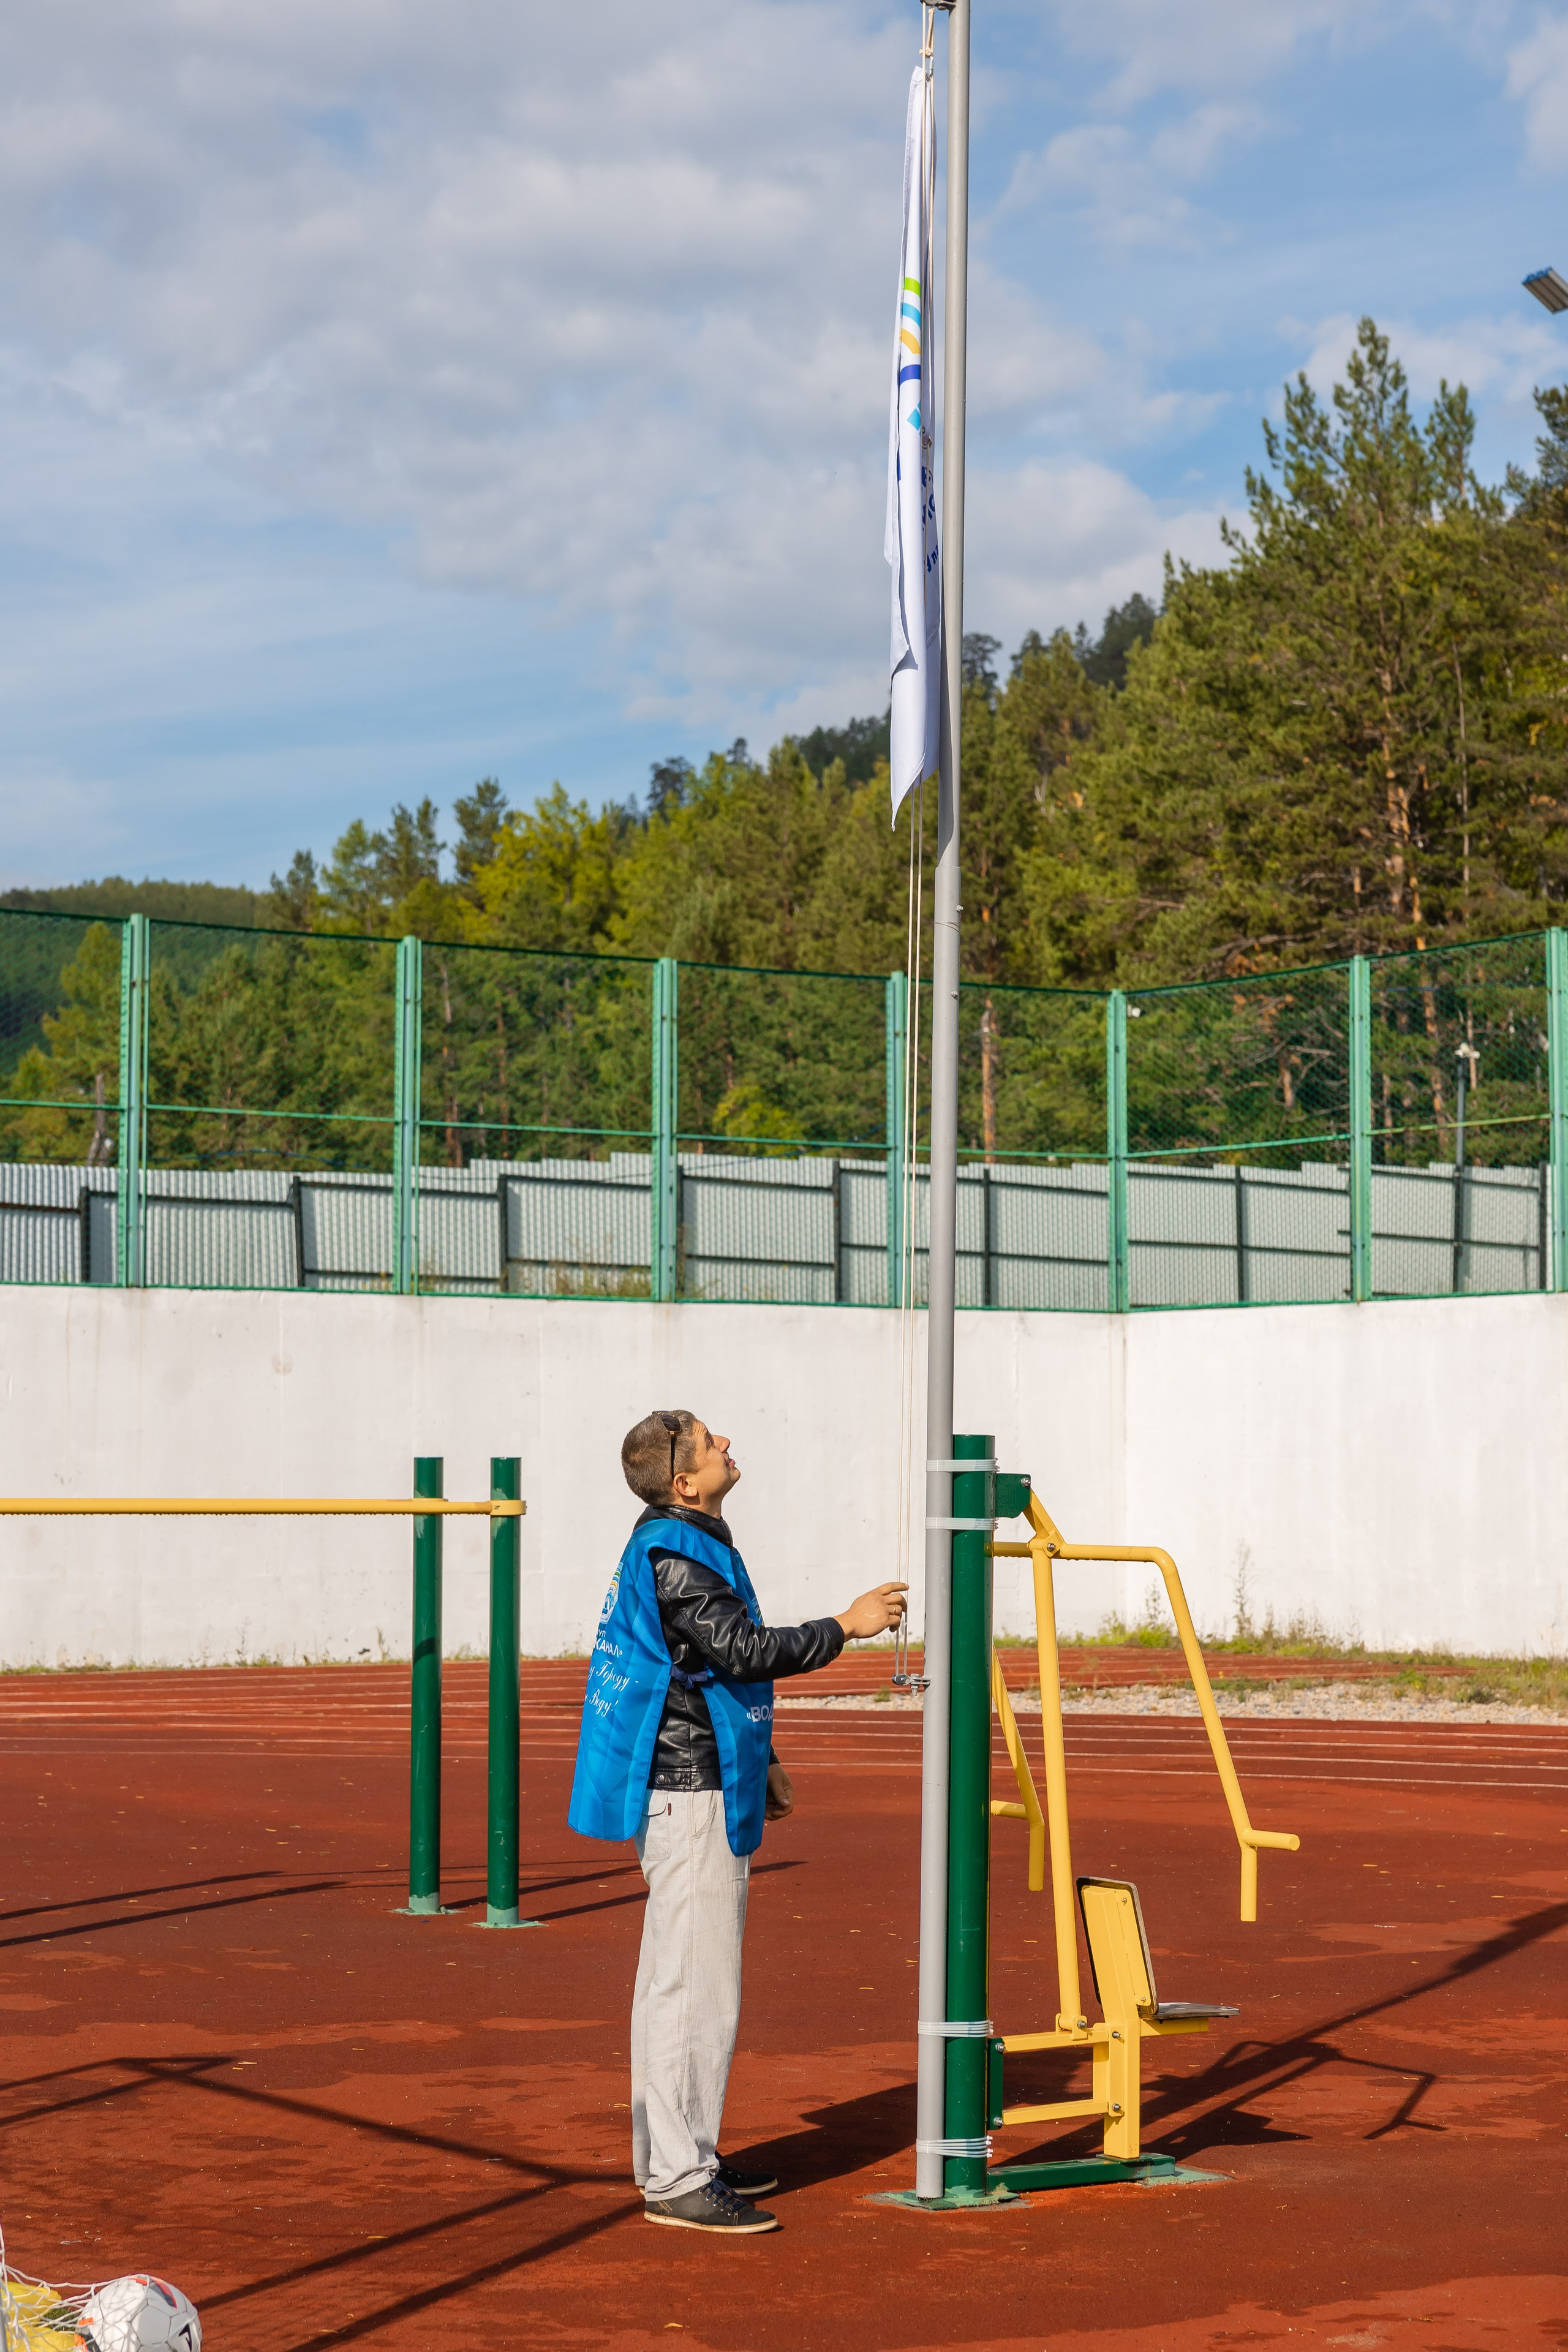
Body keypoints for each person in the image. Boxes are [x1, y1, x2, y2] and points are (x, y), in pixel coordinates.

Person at [568, 1408, 906, 2236]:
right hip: (689, 1791)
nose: (727, 1444)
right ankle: (679, 2176)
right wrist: (846, 1627)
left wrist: (764, 1758)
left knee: (681, 1984)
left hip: (698, 1778)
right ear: (684, 1481)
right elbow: (742, 1652)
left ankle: (682, 2157)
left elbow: (704, 1671)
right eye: (710, 1442)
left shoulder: (683, 1538)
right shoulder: (678, 1552)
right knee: (693, 1988)